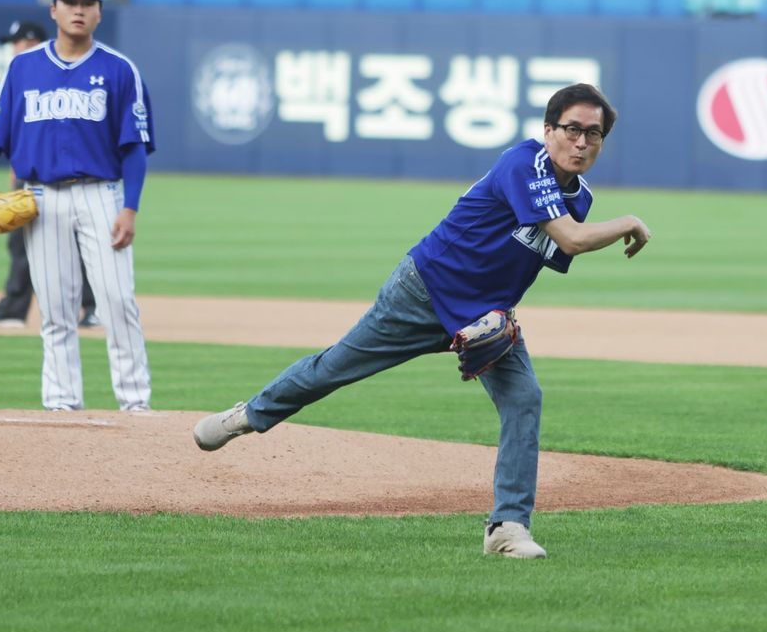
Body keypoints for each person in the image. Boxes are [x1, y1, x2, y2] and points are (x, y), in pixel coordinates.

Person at [193, 83, 652, 560]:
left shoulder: (579, 197)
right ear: (548, 130)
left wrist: (499, 316)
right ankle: (248, 415)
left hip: (483, 316)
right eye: (572, 129)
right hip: (423, 291)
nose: (581, 143)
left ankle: (507, 528)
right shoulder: (525, 163)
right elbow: (571, 240)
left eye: (593, 135)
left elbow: (529, 259)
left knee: (524, 399)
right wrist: (630, 221)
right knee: (334, 368)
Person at [0, 0, 155, 411]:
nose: (79, 9)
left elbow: (134, 148)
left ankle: (135, 402)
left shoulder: (120, 70)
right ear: (54, 10)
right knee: (56, 311)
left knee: (118, 303)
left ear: (100, 12)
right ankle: (62, 403)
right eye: (70, 1)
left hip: (101, 195)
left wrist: (130, 207)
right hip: (40, 199)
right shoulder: (23, 68)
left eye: (88, 2)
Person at [0, 20, 98, 330]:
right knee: (22, 242)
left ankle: (93, 306)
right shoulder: (20, 74)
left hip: (62, 175)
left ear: (30, 40)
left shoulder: (51, 73)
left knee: (77, 242)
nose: (12, 48)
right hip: (33, 173)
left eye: (16, 41)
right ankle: (14, 306)